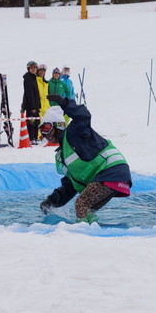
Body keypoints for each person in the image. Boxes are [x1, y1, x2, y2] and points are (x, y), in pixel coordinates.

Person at [39, 94, 132, 223]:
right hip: (115, 175)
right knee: (89, 209)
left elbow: (83, 116)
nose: (45, 134)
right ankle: (92, 232)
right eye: (41, 130)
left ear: (58, 126)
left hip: (111, 171)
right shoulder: (63, 154)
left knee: (81, 204)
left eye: (47, 128)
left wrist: (65, 103)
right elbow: (70, 185)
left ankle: (82, 235)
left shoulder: (76, 132)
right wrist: (51, 201)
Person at [21, 61, 41, 144]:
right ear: (28, 69)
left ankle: (35, 137)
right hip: (30, 105)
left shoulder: (33, 77)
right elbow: (29, 94)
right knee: (31, 122)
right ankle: (31, 138)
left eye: (35, 68)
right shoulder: (28, 78)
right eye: (32, 68)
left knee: (36, 121)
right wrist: (33, 107)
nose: (33, 70)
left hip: (35, 104)